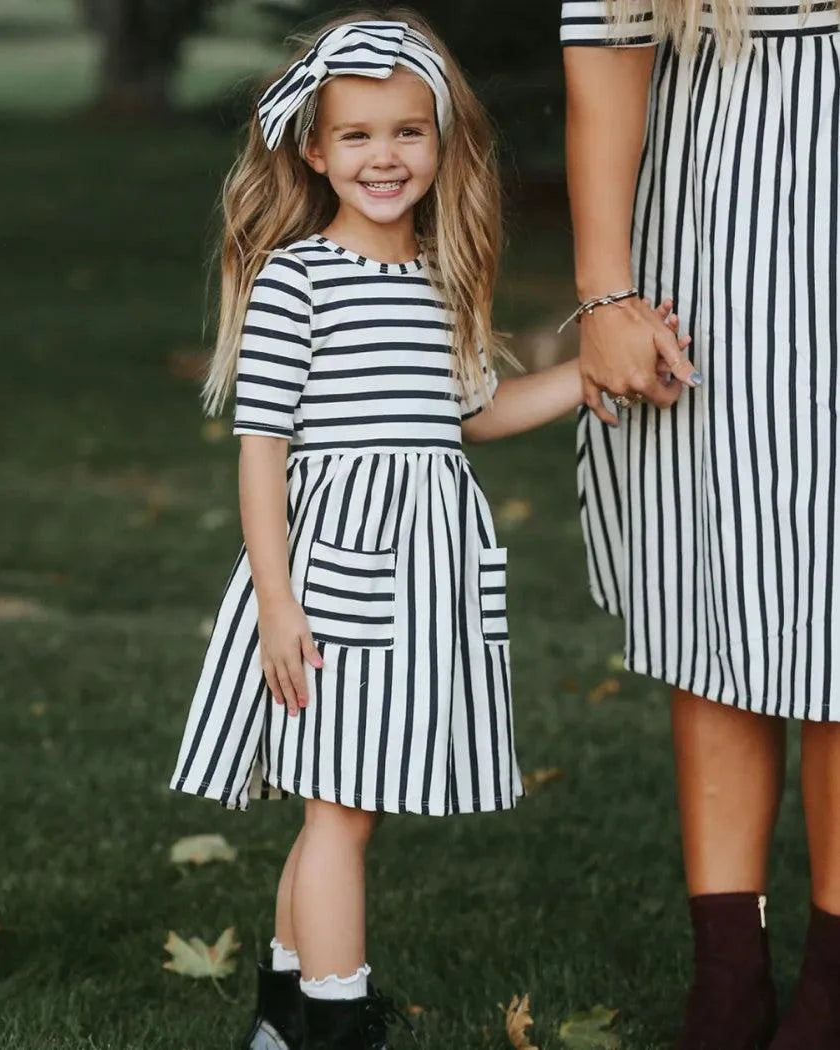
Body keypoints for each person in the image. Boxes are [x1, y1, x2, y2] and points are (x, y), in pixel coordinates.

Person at [169, 9, 682, 1049]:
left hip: (419, 581)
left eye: (407, 131)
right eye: (357, 136)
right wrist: (277, 600)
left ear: (441, 143)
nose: (384, 156)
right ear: (314, 150)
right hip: (333, 583)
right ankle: (338, 1020)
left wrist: (584, 374)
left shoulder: (441, 283)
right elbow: (261, 449)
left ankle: (284, 1014)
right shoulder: (297, 281)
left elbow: (470, 415)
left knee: (336, 804)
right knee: (340, 812)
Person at [561, 1, 840, 1047]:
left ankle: (831, 988)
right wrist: (604, 294)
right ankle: (727, 982)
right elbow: (604, 45)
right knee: (710, 590)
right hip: (712, 215)